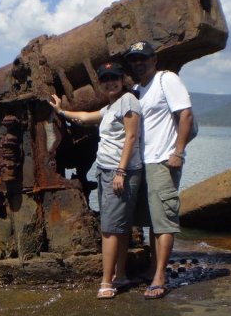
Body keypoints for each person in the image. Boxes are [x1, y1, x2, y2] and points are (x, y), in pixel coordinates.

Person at [49, 62, 142, 299]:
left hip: (119, 172)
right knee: (118, 227)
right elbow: (85, 117)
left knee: (109, 229)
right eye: (105, 79)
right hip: (106, 171)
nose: (110, 82)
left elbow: (131, 136)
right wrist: (61, 111)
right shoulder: (111, 107)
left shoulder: (128, 101)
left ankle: (106, 282)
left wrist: (121, 172)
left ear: (122, 80)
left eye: (114, 77)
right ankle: (119, 275)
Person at [124, 41, 195, 300]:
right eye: (133, 60)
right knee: (153, 220)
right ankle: (154, 268)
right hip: (142, 162)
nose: (138, 63)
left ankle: (160, 277)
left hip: (163, 160)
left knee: (163, 221)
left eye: (143, 58)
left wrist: (177, 152)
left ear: (154, 59)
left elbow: (185, 115)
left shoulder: (168, 80)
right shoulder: (138, 90)